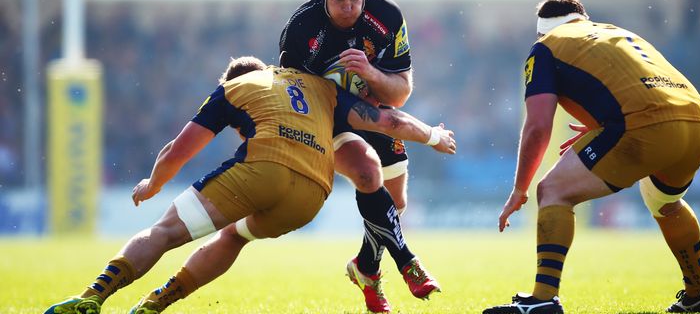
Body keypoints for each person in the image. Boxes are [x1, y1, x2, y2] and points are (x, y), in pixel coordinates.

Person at [43, 56, 456, 314]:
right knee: (234, 237)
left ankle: (93, 297)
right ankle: (154, 304)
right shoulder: (317, 87)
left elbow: (179, 149)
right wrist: (435, 137)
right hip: (313, 195)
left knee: (165, 232)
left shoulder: (235, 88)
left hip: (264, 171)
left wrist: (153, 184)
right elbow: (389, 121)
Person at [483, 0, 700, 314]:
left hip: (645, 125)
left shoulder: (545, 46)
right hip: (698, 122)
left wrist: (519, 189)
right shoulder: (615, 32)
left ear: (542, 31)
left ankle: (542, 299)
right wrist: (605, 122)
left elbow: (538, 126)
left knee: (552, 190)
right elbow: (635, 84)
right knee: (664, 202)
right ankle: (698, 292)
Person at [279, 0, 438, 313]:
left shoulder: (387, 16)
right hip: (327, 118)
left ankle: (365, 268)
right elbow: (297, 100)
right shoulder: (301, 31)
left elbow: (400, 92)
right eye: (338, 0)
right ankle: (408, 263)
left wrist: (369, 73)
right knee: (368, 174)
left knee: (395, 206)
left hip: (375, 110)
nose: (348, 7)